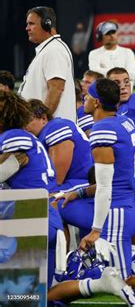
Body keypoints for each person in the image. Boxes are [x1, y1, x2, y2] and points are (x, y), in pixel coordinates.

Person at [0, 91, 63, 289]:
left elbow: (15, 161)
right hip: (47, 219)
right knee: (41, 296)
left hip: (32, 219)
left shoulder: (14, 138)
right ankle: (95, 285)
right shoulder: (26, 137)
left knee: (18, 296)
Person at [79, 78, 135, 280]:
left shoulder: (103, 129)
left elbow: (105, 186)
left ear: (96, 102)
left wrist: (96, 230)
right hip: (128, 205)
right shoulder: (124, 121)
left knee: (121, 281)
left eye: (87, 96)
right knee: (120, 278)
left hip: (116, 209)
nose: (84, 98)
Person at [19, 6, 76, 122]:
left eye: (31, 24)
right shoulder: (49, 49)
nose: (27, 28)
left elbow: (56, 88)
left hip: (52, 130)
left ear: (47, 24)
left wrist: (41, 121)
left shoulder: (54, 50)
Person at [26, 99, 92, 190]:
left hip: (80, 184)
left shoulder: (55, 127)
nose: (24, 127)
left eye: (27, 121)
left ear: (43, 118)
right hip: (74, 184)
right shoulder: (44, 133)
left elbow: (56, 180)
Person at [78, 70, 104, 135]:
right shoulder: (79, 99)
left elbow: (91, 134)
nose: (82, 84)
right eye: (83, 81)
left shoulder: (85, 108)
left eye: (87, 82)